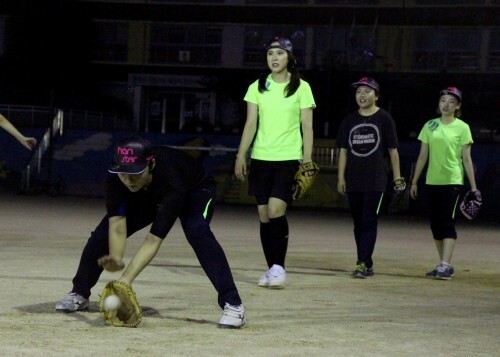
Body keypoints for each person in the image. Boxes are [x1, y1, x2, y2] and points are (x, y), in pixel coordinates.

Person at [56, 135, 245, 328]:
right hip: (146, 195)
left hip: (195, 190)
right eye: (124, 173)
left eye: (136, 173)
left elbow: (153, 240)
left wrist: (125, 280)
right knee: (101, 236)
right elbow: (118, 226)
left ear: (151, 164)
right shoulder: (116, 177)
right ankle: (79, 292)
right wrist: (116, 259)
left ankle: (233, 304)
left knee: (197, 230)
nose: (129, 180)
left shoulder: (172, 180)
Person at [234, 36, 316, 289]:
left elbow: (308, 127)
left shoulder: (301, 86)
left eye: (280, 53)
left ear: (289, 58)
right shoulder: (257, 86)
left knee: (276, 210)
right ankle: (271, 268)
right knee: (263, 215)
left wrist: (308, 160)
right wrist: (241, 155)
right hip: (261, 157)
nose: (274, 58)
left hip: (288, 158)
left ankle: (279, 267)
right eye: (270, 54)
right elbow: (250, 124)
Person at [337, 77, 404, 278]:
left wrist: (398, 178)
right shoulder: (349, 120)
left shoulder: (384, 118)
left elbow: (393, 150)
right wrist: (341, 177)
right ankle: (365, 260)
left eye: (367, 91)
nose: (362, 95)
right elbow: (342, 151)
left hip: (376, 179)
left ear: (376, 95)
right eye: (359, 92)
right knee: (358, 223)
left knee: (368, 220)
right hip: (354, 179)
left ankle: (363, 262)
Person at [410, 87, 479, 280]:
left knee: (447, 223)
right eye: (443, 100)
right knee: (435, 225)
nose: (446, 104)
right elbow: (423, 156)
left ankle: (445, 264)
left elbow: (467, 159)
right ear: (438, 104)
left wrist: (473, 186)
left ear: (457, 106)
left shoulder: (462, 127)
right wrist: (415, 181)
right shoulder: (430, 125)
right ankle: (444, 265)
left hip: (452, 182)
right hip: (432, 181)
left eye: (451, 101)